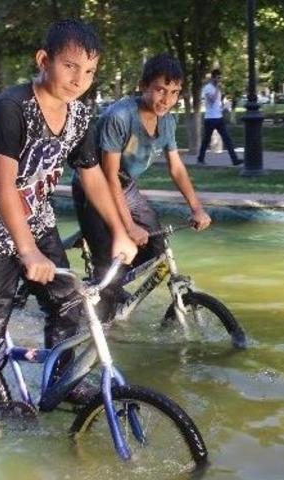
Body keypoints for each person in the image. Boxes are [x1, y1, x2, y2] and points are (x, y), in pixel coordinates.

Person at [0, 19, 137, 430]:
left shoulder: (78, 115)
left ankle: (63, 383)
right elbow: (3, 186)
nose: (79, 79)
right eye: (70, 66)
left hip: (36, 220)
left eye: (89, 71)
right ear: (43, 60)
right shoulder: (11, 108)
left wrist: (120, 230)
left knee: (70, 303)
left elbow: (90, 175)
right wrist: (26, 250)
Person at [72, 53, 212, 319]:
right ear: (143, 86)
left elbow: (177, 168)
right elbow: (108, 176)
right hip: (95, 186)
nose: (167, 99)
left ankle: (111, 284)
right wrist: (128, 226)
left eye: (174, 92)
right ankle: (103, 290)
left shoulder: (168, 121)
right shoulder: (121, 117)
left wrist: (197, 208)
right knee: (109, 265)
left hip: (125, 185)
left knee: (156, 246)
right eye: (160, 90)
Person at [197, 69, 242, 166]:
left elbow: (217, 103)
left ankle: (235, 160)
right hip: (210, 119)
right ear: (213, 78)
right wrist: (217, 88)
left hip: (219, 117)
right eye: (218, 78)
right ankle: (200, 159)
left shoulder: (218, 88)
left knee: (227, 139)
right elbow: (212, 100)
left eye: (220, 78)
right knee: (206, 140)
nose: (219, 80)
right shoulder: (208, 88)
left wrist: (224, 107)